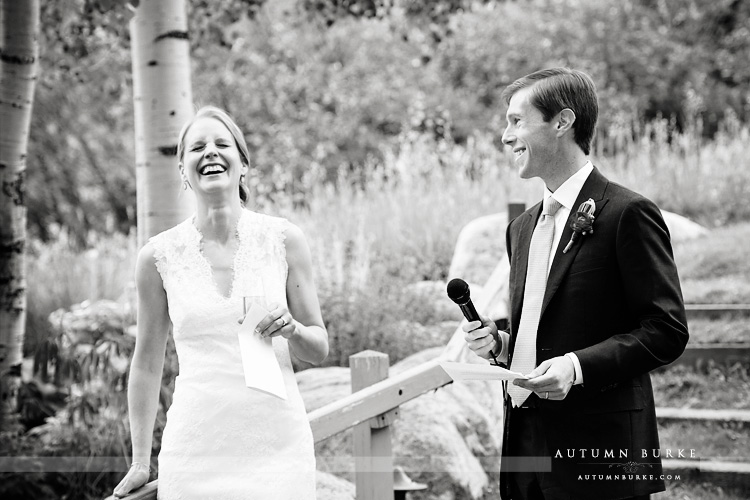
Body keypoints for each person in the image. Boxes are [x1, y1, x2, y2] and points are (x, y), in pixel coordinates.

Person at [463, 68, 689, 500]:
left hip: (600, 450)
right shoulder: (522, 228)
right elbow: (544, 321)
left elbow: (666, 330)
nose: (506, 137)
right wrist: (502, 340)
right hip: (524, 444)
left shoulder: (628, 213)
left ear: (563, 122)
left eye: (517, 121)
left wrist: (575, 367)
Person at [113, 106, 328, 499]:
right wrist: (141, 462)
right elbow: (146, 364)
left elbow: (319, 348)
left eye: (221, 143)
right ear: (183, 171)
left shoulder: (284, 240)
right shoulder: (157, 257)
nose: (209, 152)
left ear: (243, 165)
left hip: (278, 447)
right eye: (197, 147)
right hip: (196, 452)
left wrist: (292, 329)